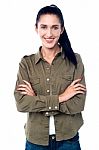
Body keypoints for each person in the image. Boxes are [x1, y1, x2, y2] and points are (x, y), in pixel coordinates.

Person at [14, 4, 87, 150]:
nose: (49, 33)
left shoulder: (75, 60)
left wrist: (36, 100)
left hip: (69, 140)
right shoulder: (26, 63)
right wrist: (62, 97)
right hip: (35, 141)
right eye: (44, 27)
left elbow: (78, 104)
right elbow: (22, 103)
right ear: (36, 28)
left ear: (62, 29)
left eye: (54, 27)